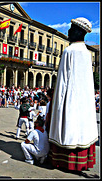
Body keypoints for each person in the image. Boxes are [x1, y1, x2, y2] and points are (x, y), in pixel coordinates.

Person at [49, 17, 98, 171]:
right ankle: (83, 161)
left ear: (78, 31)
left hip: (70, 100)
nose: (68, 31)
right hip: (84, 103)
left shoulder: (69, 51)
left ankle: (64, 161)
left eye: (71, 28)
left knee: (69, 128)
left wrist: (58, 105)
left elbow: (63, 82)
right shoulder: (86, 52)